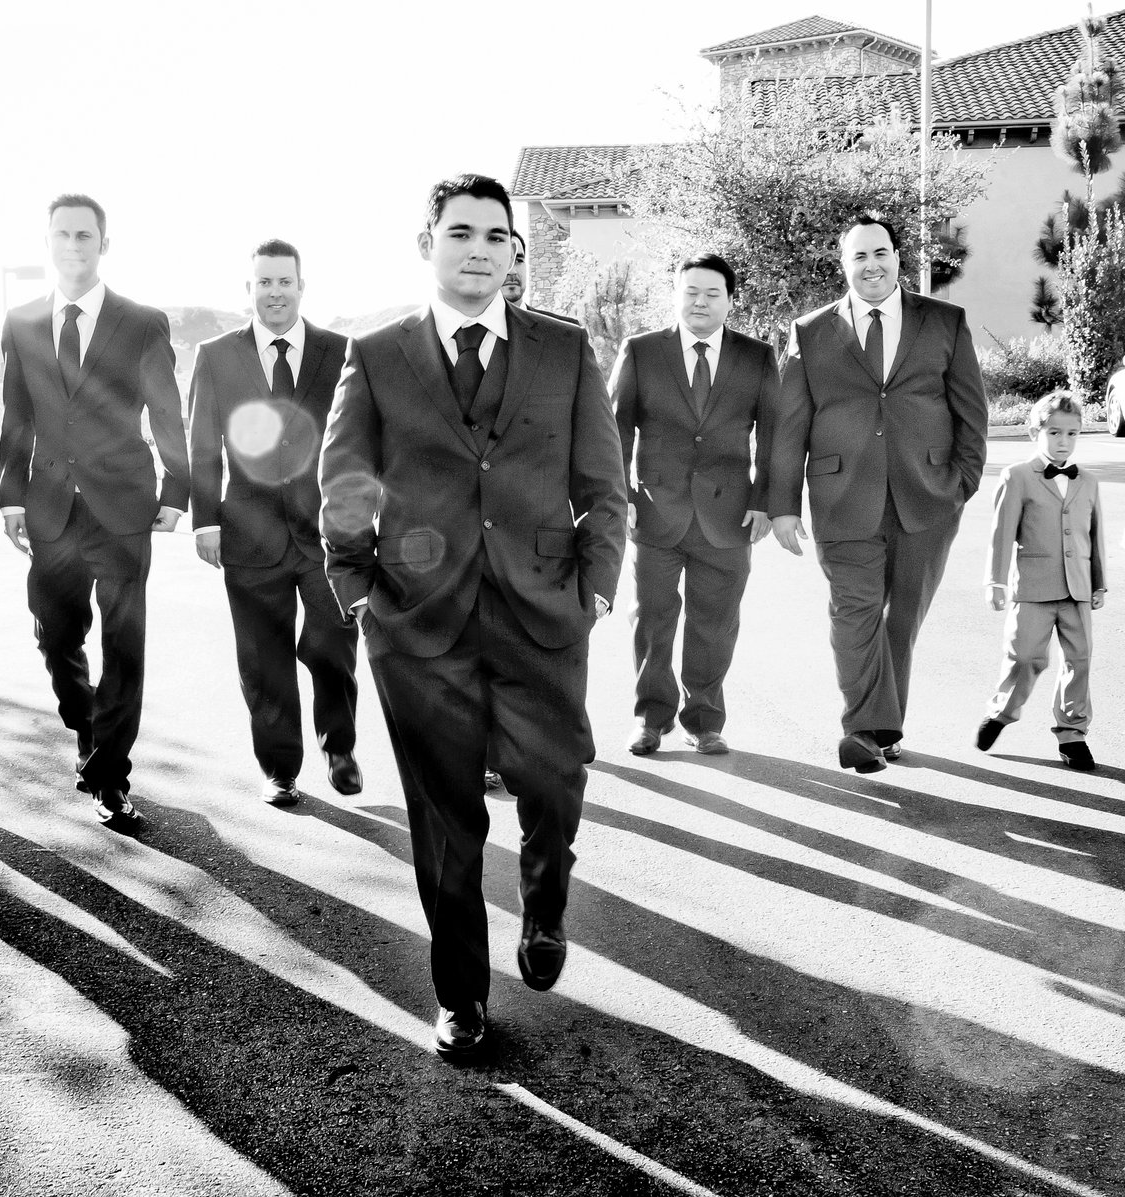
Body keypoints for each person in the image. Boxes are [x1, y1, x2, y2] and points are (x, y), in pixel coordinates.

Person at [319, 174, 626, 1059]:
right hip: (416, 623)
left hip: (546, 610)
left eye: (497, 236)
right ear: (428, 245)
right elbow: (344, 481)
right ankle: (460, 995)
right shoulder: (377, 353)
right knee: (444, 819)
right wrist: (358, 591)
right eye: (461, 233)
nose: (480, 251)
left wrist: (597, 587)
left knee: (554, 780)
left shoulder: (564, 349)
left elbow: (604, 486)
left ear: (513, 252)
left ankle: (545, 899)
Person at [768, 212, 988, 774]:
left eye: (880, 252)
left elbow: (971, 413)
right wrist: (783, 506)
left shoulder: (945, 322)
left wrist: (962, 484)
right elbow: (789, 424)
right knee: (855, 613)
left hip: (928, 496)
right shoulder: (809, 332)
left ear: (897, 258)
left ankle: (883, 729)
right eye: (859, 256)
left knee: (902, 619)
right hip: (841, 497)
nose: (871, 265)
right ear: (843, 265)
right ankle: (864, 731)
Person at [0, 194, 190, 833]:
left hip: (123, 506)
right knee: (55, 636)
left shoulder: (142, 322)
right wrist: (11, 495)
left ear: (104, 244)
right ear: (47, 243)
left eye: (85, 235)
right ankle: (89, 728)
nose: (73, 245)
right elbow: (17, 416)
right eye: (62, 234)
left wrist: (177, 491)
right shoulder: (23, 322)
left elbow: (166, 411)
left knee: (123, 645)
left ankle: (111, 776)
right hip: (51, 506)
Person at [188, 239, 359, 806]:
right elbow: (203, 444)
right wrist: (205, 521)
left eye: (285, 281)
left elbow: (359, 440)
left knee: (334, 641)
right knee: (263, 656)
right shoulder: (216, 355)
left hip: (328, 533)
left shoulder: (340, 351)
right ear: (250, 289)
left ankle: (339, 745)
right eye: (264, 282)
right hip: (248, 529)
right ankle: (280, 767)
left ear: (301, 287)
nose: (275, 292)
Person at [612, 253, 775, 756]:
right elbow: (614, 428)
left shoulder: (757, 357)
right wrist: (621, 495)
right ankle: (650, 719)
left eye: (712, 294)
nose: (700, 302)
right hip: (655, 512)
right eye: (690, 292)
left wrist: (766, 500)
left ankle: (704, 720)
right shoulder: (641, 351)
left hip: (730, 516)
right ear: (676, 295)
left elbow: (775, 435)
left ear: (730, 301)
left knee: (715, 624)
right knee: (652, 620)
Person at [978, 392, 1105, 770]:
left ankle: (1072, 734)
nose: (1063, 441)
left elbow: (1094, 534)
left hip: (1077, 587)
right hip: (1033, 587)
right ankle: (1002, 712)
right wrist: (996, 582)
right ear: (1036, 433)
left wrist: (1099, 583)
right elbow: (1002, 533)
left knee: (1079, 660)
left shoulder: (1089, 481)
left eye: (1071, 434)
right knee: (1025, 657)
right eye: (1054, 433)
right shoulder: (1017, 476)